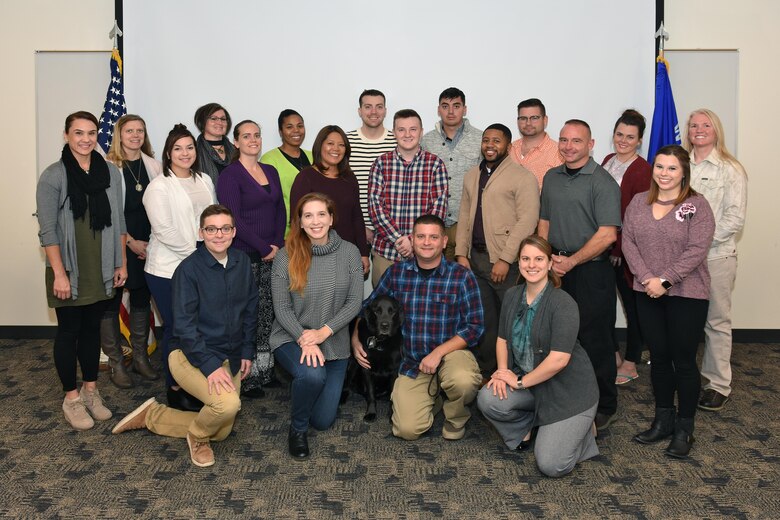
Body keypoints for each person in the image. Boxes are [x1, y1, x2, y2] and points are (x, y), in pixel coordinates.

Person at [112, 204, 258, 468]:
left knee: (223, 430)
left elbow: (250, 308)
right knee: (226, 407)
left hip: (230, 354)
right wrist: (211, 367)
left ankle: (152, 415)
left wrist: (247, 350)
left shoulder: (242, 262)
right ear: (201, 233)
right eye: (211, 229)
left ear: (234, 232)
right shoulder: (188, 270)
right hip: (190, 355)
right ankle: (198, 437)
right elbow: (184, 327)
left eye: (225, 228)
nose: (218, 234)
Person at [477, 235, 599, 477]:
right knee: (488, 399)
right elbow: (502, 339)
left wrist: (519, 382)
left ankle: (583, 431)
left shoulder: (563, 303)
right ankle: (533, 425)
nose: (531, 265)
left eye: (539, 259)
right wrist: (503, 373)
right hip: (534, 386)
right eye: (525, 259)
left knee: (552, 465)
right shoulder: (512, 295)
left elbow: (559, 360)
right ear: (519, 263)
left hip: (567, 392)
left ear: (550, 263)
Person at [355, 214, 484, 442]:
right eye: (421, 236)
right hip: (413, 363)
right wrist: (355, 340)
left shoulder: (461, 276)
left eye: (433, 237)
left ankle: (456, 418)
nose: (426, 242)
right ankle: (435, 398)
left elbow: (474, 326)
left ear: (444, 241)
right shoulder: (396, 274)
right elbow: (367, 308)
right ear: (412, 240)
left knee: (463, 380)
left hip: (452, 357)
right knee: (406, 429)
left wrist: (438, 353)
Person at [622, 145, 715, 458]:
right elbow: (628, 242)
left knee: (683, 360)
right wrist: (648, 279)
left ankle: (684, 429)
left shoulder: (697, 205)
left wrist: (665, 280)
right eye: (659, 167)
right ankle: (663, 420)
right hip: (646, 291)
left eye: (671, 168)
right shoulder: (638, 202)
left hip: (687, 294)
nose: (664, 173)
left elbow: (696, 250)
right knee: (659, 358)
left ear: (683, 172)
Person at [36, 111, 127, 430]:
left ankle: (91, 391)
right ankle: (71, 398)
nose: (85, 139)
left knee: (92, 332)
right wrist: (59, 274)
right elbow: (47, 230)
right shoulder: (54, 175)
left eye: (91, 132)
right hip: (70, 269)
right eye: (78, 133)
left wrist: (121, 262)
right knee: (69, 332)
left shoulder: (111, 174)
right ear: (66, 135)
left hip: (101, 266)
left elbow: (120, 221)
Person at [538, 119, 622, 432]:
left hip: (591, 271)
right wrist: (546, 259)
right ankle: (567, 399)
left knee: (595, 340)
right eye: (564, 140)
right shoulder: (551, 176)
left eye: (576, 141)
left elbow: (607, 235)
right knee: (558, 336)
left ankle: (606, 405)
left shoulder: (602, 182)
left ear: (591, 145)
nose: (569, 146)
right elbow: (544, 222)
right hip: (556, 267)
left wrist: (571, 261)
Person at [270, 193, 363, 459]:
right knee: (312, 375)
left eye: (321, 214)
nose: (315, 221)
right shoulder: (286, 255)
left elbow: (354, 302)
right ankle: (297, 429)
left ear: (332, 218)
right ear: (299, 221)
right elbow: (282, 308)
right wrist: (305, 338)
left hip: (333, 340)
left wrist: (323, 332)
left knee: (322, 420)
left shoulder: (350, 252)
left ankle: (304, 387)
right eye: (308, 215)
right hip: (291, 335)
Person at [456, 124, 539, 377]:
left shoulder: (522, 177)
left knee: (512, 318)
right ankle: (488, 370)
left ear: (508, 146)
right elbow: (464, 215)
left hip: (505, 262)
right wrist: (461, 253)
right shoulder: (472, 175)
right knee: (485, 318)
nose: (490, 145)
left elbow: (527, 220)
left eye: (497, 141)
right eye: (486, 140)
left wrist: (505, 259)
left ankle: (519, 371)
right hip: (476, 259)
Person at [144, 124, 216, 411]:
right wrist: (200, 257)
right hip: (168, 269)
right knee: (176, 328)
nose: (185, 153)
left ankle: (194, 380)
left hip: (201, 263)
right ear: (168, 153)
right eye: (178, 148)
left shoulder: (205, 180)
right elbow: (164, 230)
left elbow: (213, 218)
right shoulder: (159, 186)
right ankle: (174, 388)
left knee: (199, 328)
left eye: (189, 147)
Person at [683, 109, 748, 413]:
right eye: (694, 125)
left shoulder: (730, 169)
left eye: (705, 125)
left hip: (716, 257)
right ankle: (684, 379)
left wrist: (697, 243)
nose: (699, 129)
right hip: (681, 261)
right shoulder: (679, 165)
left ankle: (718, 384)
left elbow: (734, 219)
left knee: (716, 321)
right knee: (683, 321)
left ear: (716, 129)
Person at [216, 120, 285, 398]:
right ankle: (247, 376)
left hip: (273, 254)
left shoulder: (270, 170)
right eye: (246, 136)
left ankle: (265, 371)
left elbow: (281, 210)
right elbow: (233, 219)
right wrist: (262, 247)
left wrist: (277, 244)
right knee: (248, 315)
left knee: (269, 312)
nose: (253, 140)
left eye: (257, 135)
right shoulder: (230, 175)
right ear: (236, 142)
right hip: (245, 255)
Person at [102, 114, 162, 389]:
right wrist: (130, 242)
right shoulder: (108, 166)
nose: (135, 135)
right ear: (119, 134)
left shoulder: (153, 165)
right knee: (111, 302)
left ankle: (139, 357)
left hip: (149, 245)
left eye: (140, 130)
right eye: (129, 131)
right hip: (118, 243)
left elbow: (161, 208)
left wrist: (152, 243)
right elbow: (110, 212)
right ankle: (116, 362)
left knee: (141, 298)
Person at [368, 109, 448, 286]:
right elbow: (375, 208)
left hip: (425, 254)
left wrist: (413, 240)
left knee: (423, 308)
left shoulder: (435, 165)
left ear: (421, 131)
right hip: (386, 254)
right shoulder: (380, 164)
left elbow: (438, 209)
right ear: (394, 132)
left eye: (413, 129)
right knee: (384, 311)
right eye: (401, 129)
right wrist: (399, 239)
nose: (407, 134)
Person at [601, 110, 652, 385]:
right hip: (604, 248)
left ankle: (631, 361)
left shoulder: (643, 170)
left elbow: (636, 216)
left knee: (633, 309)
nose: (623, 140)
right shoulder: (608, 161)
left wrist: (620, 250)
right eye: (619, 134)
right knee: (603, 306)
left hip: (627, 253)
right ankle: (614, 355)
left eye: (630, 137)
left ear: (639, 140)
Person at [289, 125, 370, 276]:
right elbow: (295, 220)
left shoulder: (350, 178)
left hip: (348, 254)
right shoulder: (305, 177)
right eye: (330, 143)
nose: (336, 149)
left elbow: (357, 217)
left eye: (341, 145)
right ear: (320, 146)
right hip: (314, 255)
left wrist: (363, 253)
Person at [421, 87, 482, 259]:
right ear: (438, 110)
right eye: (445, 106)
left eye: (456, 106)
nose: (450, 111)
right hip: (434, 221)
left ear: (465, 109)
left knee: (465, 277)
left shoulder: (480, 139)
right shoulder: (426, 140)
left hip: (467, 222)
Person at [346, 89, 397, 247]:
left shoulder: (398, 141)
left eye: (379, 107)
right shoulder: (346, 141)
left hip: (391, 232)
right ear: (360, 111)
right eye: (368, 107)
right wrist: (361, 227)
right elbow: (341, 187)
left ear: (385, 111)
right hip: (353, 228)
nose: (374, 112)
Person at [260, 109, 313, 235]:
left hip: (314, 227)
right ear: (281, 131)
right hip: (285, 231)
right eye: (289, 127)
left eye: (300, 126)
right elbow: (268, 200)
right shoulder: (269, 159)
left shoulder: (313, 157)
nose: (296, 130)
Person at [509, 98, 563, 190]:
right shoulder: (509, 149)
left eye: (534, 118)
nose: (528, 123)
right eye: (523, 118)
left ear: (545, 120)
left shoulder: (559, 153)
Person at [194, 103, 235, 186]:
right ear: (202, 122)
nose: (219, 122)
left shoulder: (237, 150)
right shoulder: (193, 151)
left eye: (223, 119)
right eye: (213, 118)